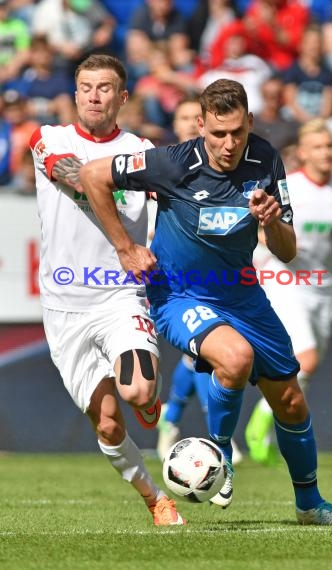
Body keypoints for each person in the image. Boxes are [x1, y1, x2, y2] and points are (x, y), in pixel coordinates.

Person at [79, 78, 332, 525]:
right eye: (217, 134)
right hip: (179, 293)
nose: (228, 145)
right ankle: (220, 457)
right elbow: (92, 175)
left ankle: (310, 504)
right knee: (235, 356)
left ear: (249, 122)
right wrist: (124, 247)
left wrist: (272, 222)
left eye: (237, 133)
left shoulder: (266, 158)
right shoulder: (172, 163)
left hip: (244, 295)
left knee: (290, 401)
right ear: (201, 125)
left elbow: (286, 250)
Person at [29, 54, 185, 526]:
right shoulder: (49, 139)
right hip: (64, 305)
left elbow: (179, 207)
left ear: (122, 97)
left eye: (105, 88)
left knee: (136, 391)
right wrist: (125, 244)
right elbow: (84, 179)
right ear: (75, 94)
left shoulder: (144, 152)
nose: (94, 95)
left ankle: (149, 397)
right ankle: (154, 497)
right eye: (86, 86)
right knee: (109, 422)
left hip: (120, 295)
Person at [245, 118, 332, 466]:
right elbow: (257, 224)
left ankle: (274, 428)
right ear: (303, 153)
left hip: (321, 286)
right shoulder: (289, 186)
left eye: (329, 146)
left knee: (306, 367)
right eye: (318, 147)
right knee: (305, 357)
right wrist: (270, 240)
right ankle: (260, 422)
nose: (326, 152)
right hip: (284, 278)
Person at [155, 96, 243, 464]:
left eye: (197, 117)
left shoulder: (222, 168)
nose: (192, 123)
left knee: (201, 358)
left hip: (217, 277)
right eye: (185, 118)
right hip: (170, 278)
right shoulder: (160, 167)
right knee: (204, 355)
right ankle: (215, 437)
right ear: (176, 126)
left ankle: (171, 420)